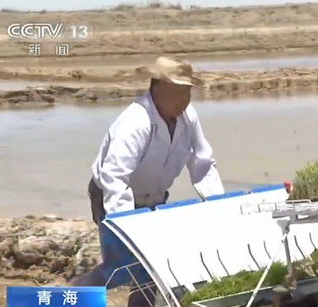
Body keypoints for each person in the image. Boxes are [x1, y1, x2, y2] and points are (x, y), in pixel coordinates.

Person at [72, 56, 225, 307]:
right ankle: (73, 294)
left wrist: (217, 204)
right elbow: (115, 176)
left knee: (153, 266)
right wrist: (125, 224)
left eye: (188, 91)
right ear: (158, 89)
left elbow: (202, 162)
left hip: (154, 198)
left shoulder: (188, 118)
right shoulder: (136, 121)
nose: (186, 99)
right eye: (180, 91)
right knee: (122, 267)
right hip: (112, 195)